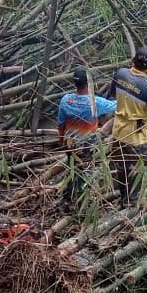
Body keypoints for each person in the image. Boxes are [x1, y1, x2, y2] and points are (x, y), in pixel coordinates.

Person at [57, 67, 117, 209]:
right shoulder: (94, 102)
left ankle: (67, 197)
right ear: (88, 84)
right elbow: (115, 106)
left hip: (70, 144)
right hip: (86, 146)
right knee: (83, 172)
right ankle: (77, 202)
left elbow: (60, 124)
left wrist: (61, 141)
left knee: (73, 169)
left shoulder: (66, 100)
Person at [110, 46, 147, 206]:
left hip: (119, 131)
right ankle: (133, 201)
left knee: (122, 167)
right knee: (141, 167)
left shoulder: (120, 73)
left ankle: (124, 198)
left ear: (133, 60)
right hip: (137, 135)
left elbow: (113, 94)